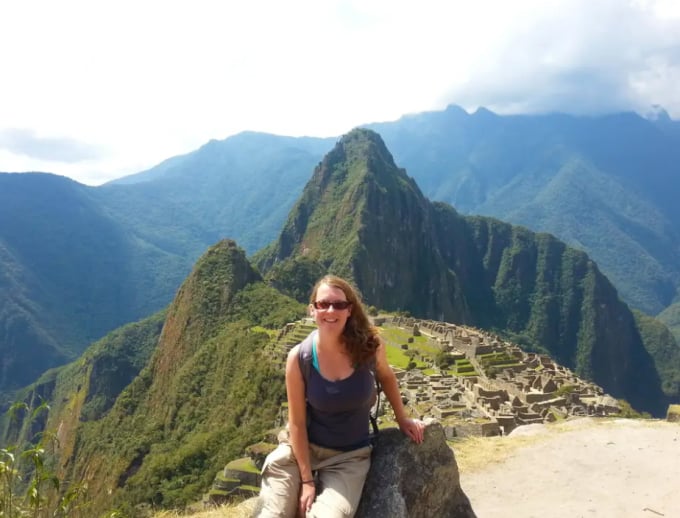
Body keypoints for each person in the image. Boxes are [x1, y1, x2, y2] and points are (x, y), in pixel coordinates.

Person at [256, 275, 426, 518]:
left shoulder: (370, 347)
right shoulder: (299, 358)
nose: (330, 310)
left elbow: (387, 377)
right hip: (299, 451)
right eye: (323, 304)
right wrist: (306, 481)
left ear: (350, 310)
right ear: (312, 310)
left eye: (339, 304)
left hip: (348, 458)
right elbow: (296, 422)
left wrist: (403, 419)